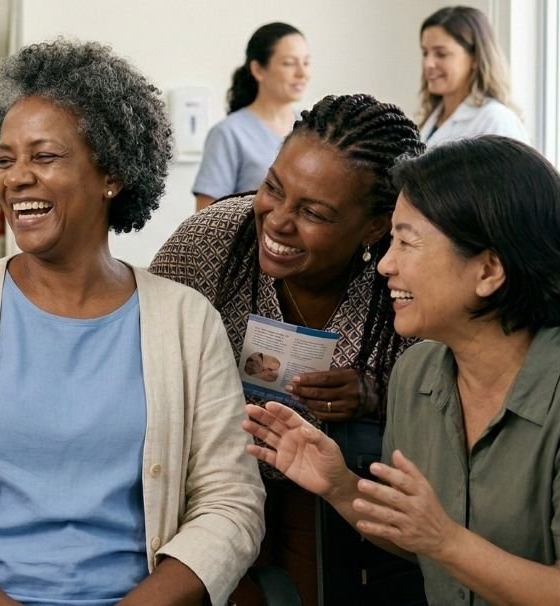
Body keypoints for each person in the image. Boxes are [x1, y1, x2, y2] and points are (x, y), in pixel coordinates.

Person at [0, 39, 265, 606]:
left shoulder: (186, 321)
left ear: (111, 176)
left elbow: (231, 502)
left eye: (44, 157)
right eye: (4, 160)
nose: (15, 178)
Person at [244, 135, 560, 606]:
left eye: (406, 243)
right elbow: (417, 539)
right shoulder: (417, 373)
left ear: (487, 271)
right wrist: (338, 485)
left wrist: (445, 540)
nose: (386, 265)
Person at [150, 94, 425, 606]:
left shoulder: (403, 278)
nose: (277, 220)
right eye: (273, 187)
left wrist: (377, 395)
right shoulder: (215, 239)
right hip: (204, 488)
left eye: (313, 212)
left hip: (339, 512)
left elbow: (449, 403)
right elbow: (139, 347)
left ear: (373, 226)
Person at [193, 23, 309, 210]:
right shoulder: (228, 134)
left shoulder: (311, 128)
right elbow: (205, 218)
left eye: (306, 62)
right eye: (289, 63)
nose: (302, 73)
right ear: (258, 70)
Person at [416, 6, 526, 145]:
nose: (428, 64)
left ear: (475, 58)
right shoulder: (433, 118)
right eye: (425, 53)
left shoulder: (496, 120)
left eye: (441, 54)